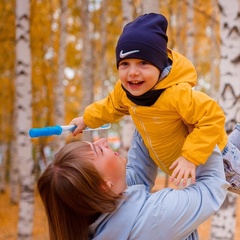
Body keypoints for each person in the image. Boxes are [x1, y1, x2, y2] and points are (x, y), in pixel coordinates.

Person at [70, 13, 240, 191]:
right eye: (125, 64)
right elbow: (108, 106)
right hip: (196, 156)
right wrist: (86, 120)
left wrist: (190, 157)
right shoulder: (124, 93)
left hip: (219, 160)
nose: (133, 72)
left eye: (143, 63)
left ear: (159, 65)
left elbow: (212, 116)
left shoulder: (176, 93)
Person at [37, 130, 229, 240]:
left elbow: (138, 174)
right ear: (104, 185)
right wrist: (201, 131)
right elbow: (210, 188)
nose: (103, 141)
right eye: (98, 150)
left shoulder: (97, 212)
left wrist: (146, 109)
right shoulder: (153, 218)